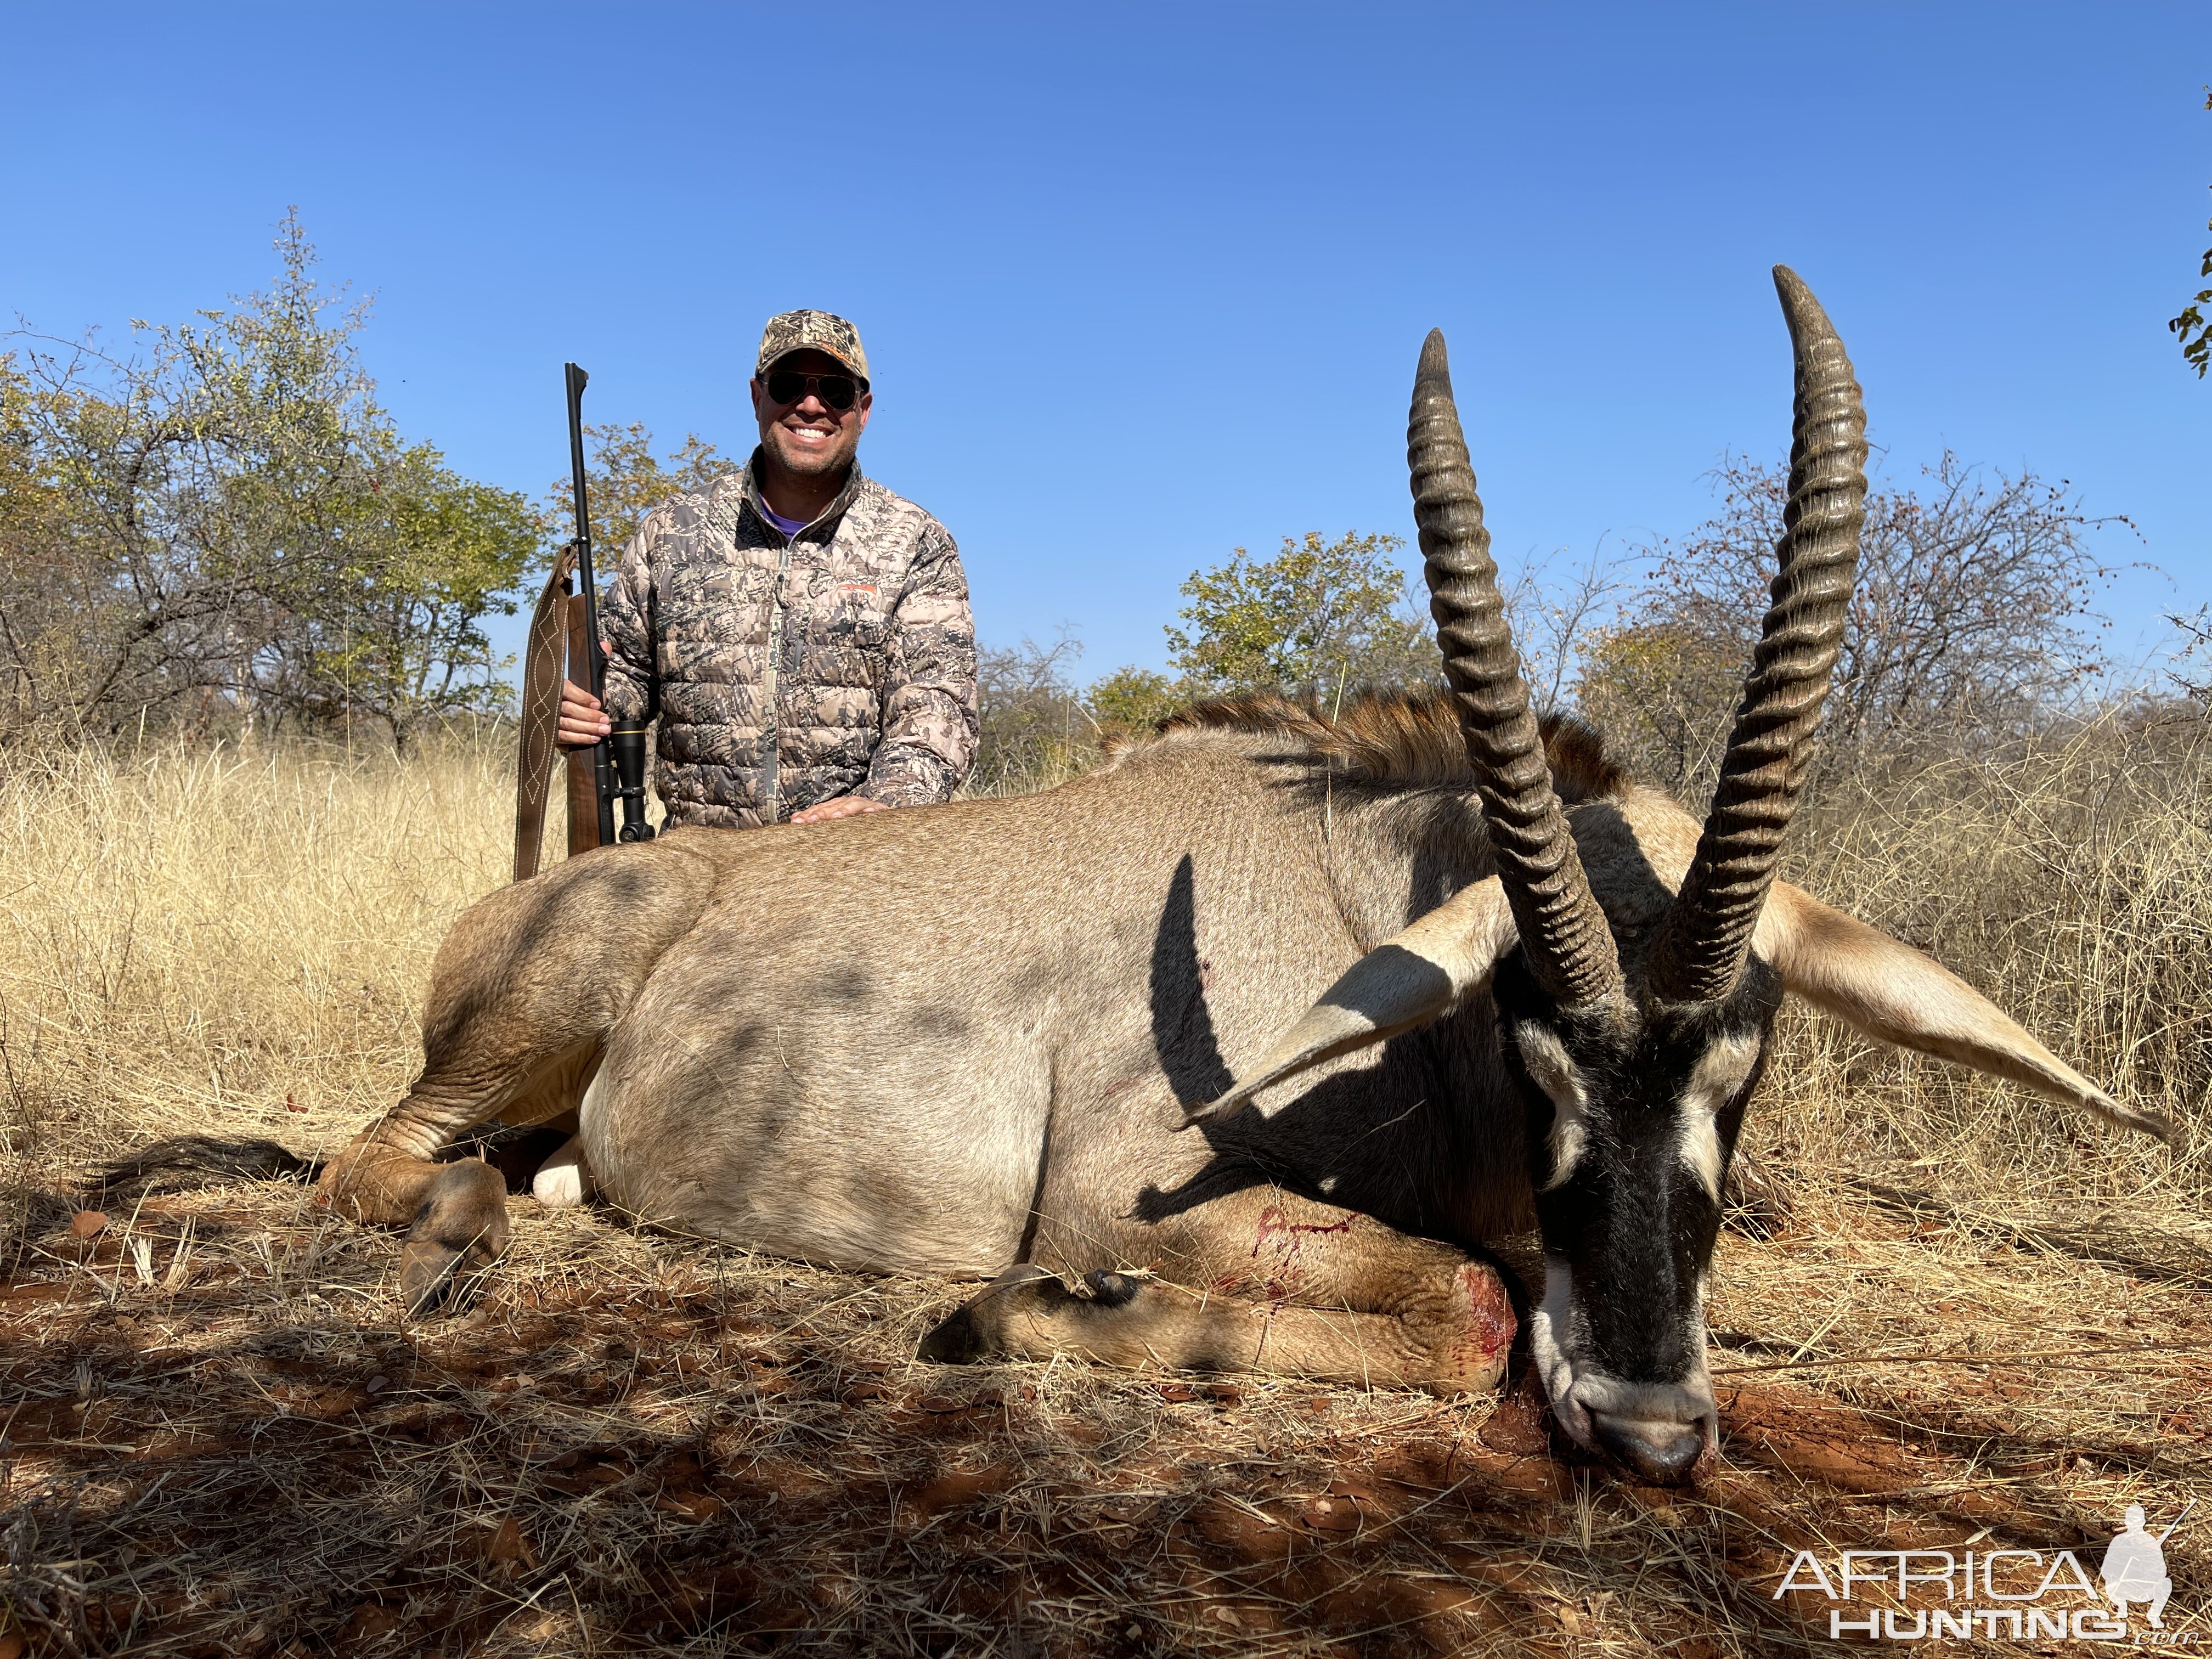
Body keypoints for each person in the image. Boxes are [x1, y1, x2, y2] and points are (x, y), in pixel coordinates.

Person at [557, 309, 979, 828]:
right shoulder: (670, 530)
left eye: (836, 392)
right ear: (758, 396)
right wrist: (581, 708)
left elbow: (937, 705)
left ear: (863, 410)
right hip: (696, 871)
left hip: (850, 868)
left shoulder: (916, 540)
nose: (810, 404)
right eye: (788, 385)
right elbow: (625, 675)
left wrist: (889, 804)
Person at [2100, 1505, 2172, 1628]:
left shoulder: (2151, 1542)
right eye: (2131, 1520)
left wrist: (2147, 1569)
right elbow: (2106, 1568)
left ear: (2143, 1522)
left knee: (2166, 1583)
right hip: (2121, 1588)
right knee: (2110, 1583)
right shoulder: (2119, 1541)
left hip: (2145, 1590)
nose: (2134, 1524)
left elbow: (2162, 1570)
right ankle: (2122, 1608)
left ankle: (2154, 1615)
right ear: (2127, 1522)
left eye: (2137, 1520)